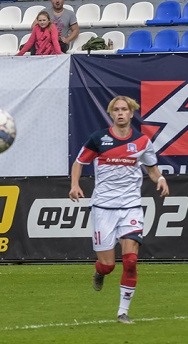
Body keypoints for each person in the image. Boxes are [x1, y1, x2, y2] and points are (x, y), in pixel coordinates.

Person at [68, 96, 169, 324]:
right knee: (108, 265)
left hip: (131, 206)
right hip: (103, 207)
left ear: (131, 113)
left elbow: (152, 169)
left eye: (124, 109)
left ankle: (122, 312)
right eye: (116, 110)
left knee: (131, 260)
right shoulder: (98, 139)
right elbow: (79, 163)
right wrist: (74, 185)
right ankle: (100, 271)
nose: (120, 113)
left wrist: (161, 179)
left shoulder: (142, 141)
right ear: (111, 113)